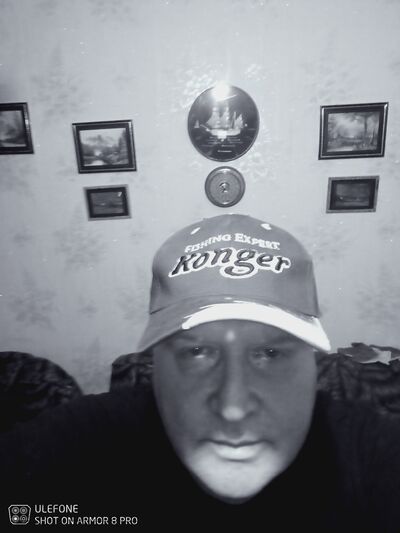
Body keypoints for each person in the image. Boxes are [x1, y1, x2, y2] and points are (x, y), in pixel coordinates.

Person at [0, 213, 399, 532]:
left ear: (311, 364)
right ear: (154, 365)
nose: (233, 407)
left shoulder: (367, 454)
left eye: (270, 352)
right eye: (196, 351)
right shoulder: (89, 443)